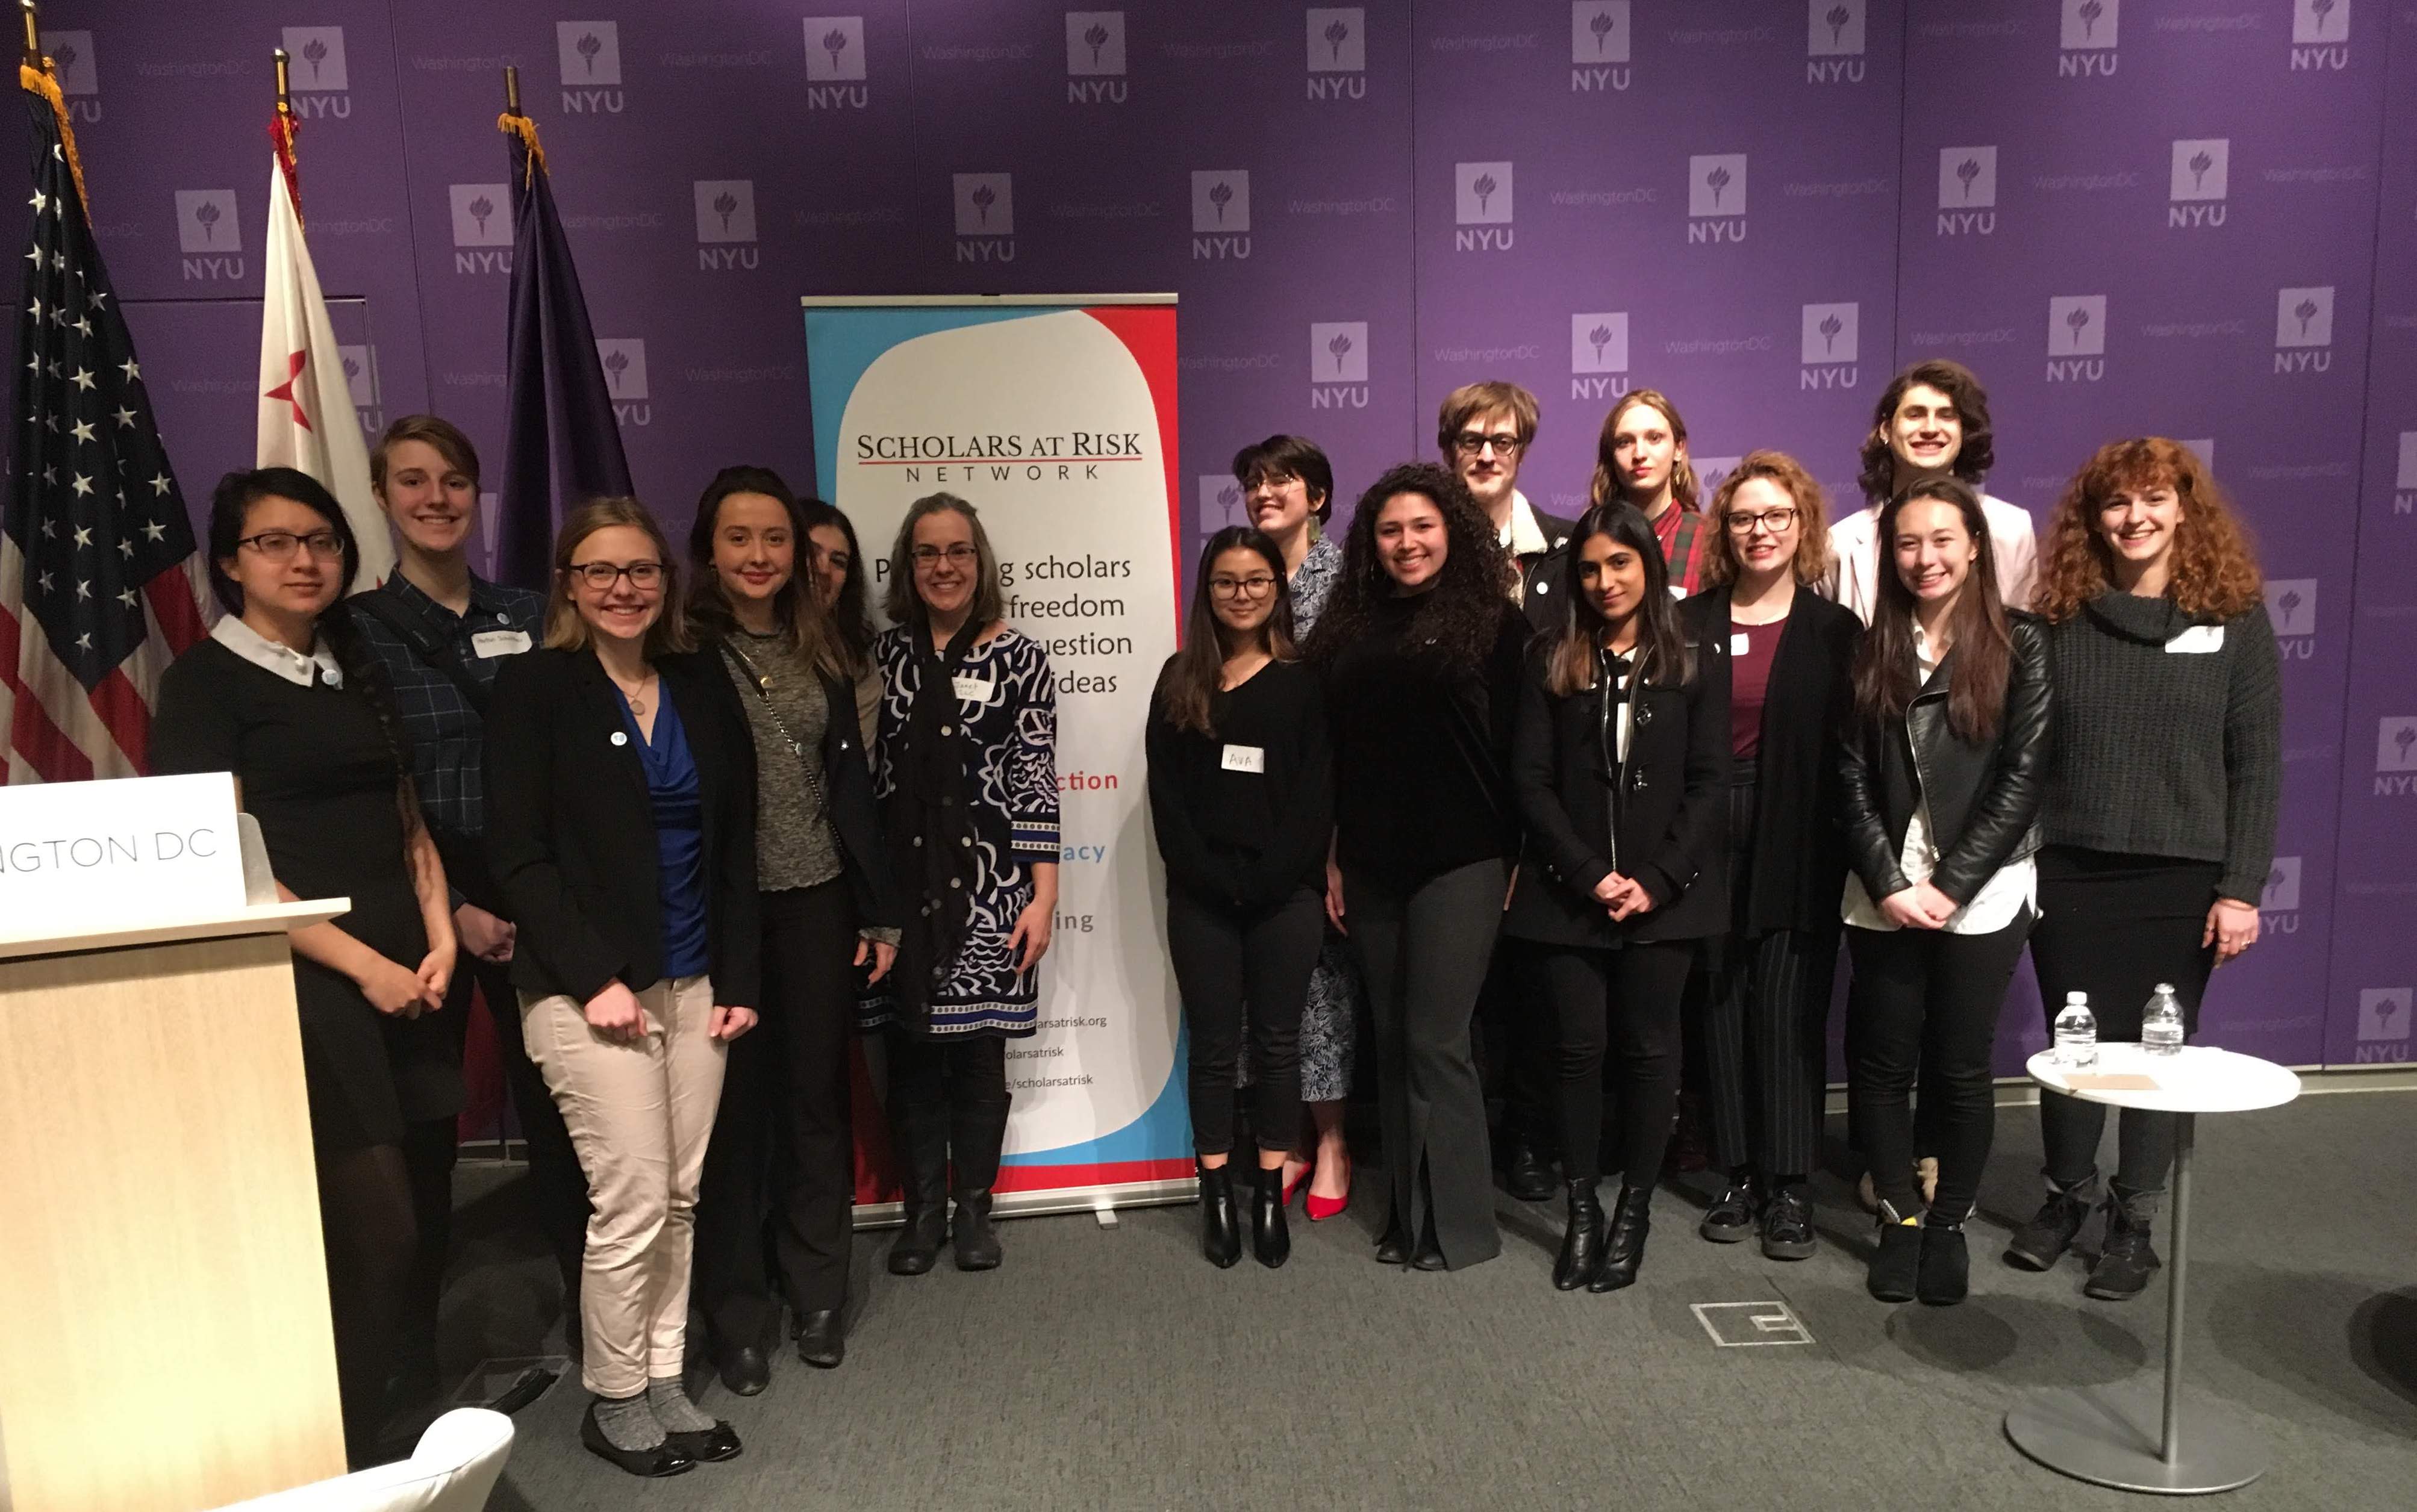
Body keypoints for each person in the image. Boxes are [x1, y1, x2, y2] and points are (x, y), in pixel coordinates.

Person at [154, 467, 461, 1466]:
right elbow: (228, 863)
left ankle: (408, 1418)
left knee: (432, 1196)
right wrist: (364, 964)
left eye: (321, 540)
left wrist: (439, 929)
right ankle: (341, 1447)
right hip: (309, 982)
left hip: (416, 971)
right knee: (377, 1232)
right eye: (276, 542)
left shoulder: (351, 660)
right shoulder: (203, 682)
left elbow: (408, 817)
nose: (303, 560)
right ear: (231, 561)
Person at [485, 498, 761, 1477]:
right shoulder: (535, 688)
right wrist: (594, 977)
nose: (623, 588)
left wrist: (739, 976)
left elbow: (736, 843)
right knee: (634, 1196)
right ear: (568, 585)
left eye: (640, 570)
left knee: (681, 1195)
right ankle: (613, 1396)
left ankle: (663, 1377)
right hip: (584, 991)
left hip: (697, 985)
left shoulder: (694, 681)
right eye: (600, 571)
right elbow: (514, 856)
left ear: (665, 581)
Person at [2008, 438, 2280, 1299]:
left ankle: (2134, 1220)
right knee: (2075, 1044)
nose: (2135, 518)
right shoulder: (2058, 616)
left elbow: (2258, 762)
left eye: (2154, 500)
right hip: (2072, 866)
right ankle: (2063, 1199)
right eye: (2117, 503)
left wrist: (2240, 886)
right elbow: (2028, 752)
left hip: (2182, 874)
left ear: (2184, 510)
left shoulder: (2235, 615)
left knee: (2160, 1057)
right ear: (2093, 518)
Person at [348, 417, 582, 1394]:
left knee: (567, 1118)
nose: (436, 498)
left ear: (476, 492)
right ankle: (417, 1362)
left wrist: (536, 898)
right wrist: (455, 910)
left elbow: (569, 759)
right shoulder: (354, 630)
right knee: (427, 1134)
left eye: (453, 479)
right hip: (426, 907)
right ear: (384, 496)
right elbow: (373, 788)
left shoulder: (537, 613)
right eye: (413, 481)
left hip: (542, 893)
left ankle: (595, 1327)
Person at [685, 468, 899, 1390]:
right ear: (710, 547)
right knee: (734, 1118)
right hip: (718, 909)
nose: (761, 556)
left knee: (814, 1101)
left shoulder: (824, 645)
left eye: (776, 539)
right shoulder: (680, 649)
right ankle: (739, 1314)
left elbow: (851, 789)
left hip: (817, 903)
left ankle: (817, 1289)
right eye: (741, 538)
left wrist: (877, 903)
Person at [1308, 462, 1529, 1271]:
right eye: (1391, 529)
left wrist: (1516, 855)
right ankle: (1408, 1218)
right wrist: (1332, 854)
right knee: (1396, 1040)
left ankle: (1461, 1227)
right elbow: (1335, 758)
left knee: (1439, 1039)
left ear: (1453, 532)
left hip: (1463, 860)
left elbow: (1521, 753)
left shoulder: (1496, 625)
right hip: (1369, 861)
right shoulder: (1346, 630)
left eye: (1423, 526)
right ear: (1371, 540)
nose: (1407, 543)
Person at [1839, 478, 2050, 1307]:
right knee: (1883, 1061)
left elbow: (2023, 778)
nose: (1924, 556)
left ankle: (1950, 1222)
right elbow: (1849, 778)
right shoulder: (1868, 648)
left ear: (1973, 546)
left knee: (1960, 1067)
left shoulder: (2023, 644)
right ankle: (1898, 1216)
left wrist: (1953, 883)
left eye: (1941, 539)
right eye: (1906, 542)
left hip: (1986, 892)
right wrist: (1891, 880)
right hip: (1882, 891)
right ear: (1889, 555)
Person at [1506, 505, 1726, 1292]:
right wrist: (1584, 871)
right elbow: (1528, 781)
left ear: (1649, 567)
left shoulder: (1694, 658)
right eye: (1591, 568)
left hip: (1665, 899)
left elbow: (1709, 782)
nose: (1605, 581)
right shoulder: (1548, 657)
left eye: (1620, 565)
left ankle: (1631, 1209)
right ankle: (1581, 1210)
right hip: (1567, 896)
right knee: (1575, 1052)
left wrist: (1657, 878)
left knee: (1648, 1052)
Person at [867, 493, 1060, 1277]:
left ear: (979, 562)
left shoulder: (1021, 658)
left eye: (957, 551)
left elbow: (1034, 780)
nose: (943, 566)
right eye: (926, 553)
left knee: (980, 1057)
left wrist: (1043, 896)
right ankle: (920, 1213)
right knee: (912, 1055)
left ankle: (973, 1208)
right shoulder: (883, 659)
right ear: (907, 567)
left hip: (992, 892)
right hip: (902, 895)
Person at [1682, 453, 1860, 1261]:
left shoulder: (1834, 631)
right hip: (1706, 833)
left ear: (1802, 526)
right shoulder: (1689, 622)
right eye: (1746, 517)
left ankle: (1791, 1184)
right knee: (1720, 1006)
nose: (1760, 531)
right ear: (1725, 529)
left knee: (1788, 1013)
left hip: (1801, 836)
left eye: (1776, 516)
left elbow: (1851, 754)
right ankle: (1739, 1172)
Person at [1148, 526, 1332, 1268]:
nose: (1243, 593)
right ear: (1207, 592)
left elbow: (1315, 799)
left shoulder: (1304, 681)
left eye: (1257, 580)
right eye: (1226, 581)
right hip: (1201, 897)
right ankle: (1215, 1191)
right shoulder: (1178, 678)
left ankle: (1266, 1190)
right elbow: (1167, 801)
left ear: (1276, 589)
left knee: (1278, 1045)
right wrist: (1214, 880)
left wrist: (1266, 880)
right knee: (1215, 1047)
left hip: (1284, 896)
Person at [1438, 384, 1569, 1200]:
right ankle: (1460, 1143)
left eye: (1504, 440)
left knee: (1533, 990)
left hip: (1547, 803)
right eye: (1470, 439)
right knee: (1457, 993)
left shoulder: (1562, 548)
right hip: (1453, 801)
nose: (1487, 454)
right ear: (1448, 446)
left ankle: (1528, 1138)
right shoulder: (1417, 543)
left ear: (1523, 449)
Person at [1233, 435, 1353, 1219]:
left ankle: (1335, 1141)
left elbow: (1351, 719)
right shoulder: (1242, 575)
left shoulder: (1343, 582)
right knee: (1267, 988)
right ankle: (1287, 1141)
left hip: (1330, 813)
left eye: (1282, 480)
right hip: (1253, 816)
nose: (1264, 491)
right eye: (1253, 481)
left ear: (1316, 494)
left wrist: (1340, 847)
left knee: (1322, 985)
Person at [1828, 360, 2037, 624]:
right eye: (1915, 414)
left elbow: (2022, 640)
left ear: (1964, 432)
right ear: (1886, 430)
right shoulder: (1840, 545)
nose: (1930, 428)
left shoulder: (2012, 530)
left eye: (1946, 415)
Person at [1590, 389, 1712, 599]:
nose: (1639, 454)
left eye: (1654, 438)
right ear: (1611, 456)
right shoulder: (1593, 540)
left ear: (1679, 448)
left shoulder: (1708, 539)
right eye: (1624, 442)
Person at [798, 496, 884, 747]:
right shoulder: (737, 644)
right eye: (811, 553)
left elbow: (854, 767)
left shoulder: (856, 663)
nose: (824, 570)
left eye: (838, 562)